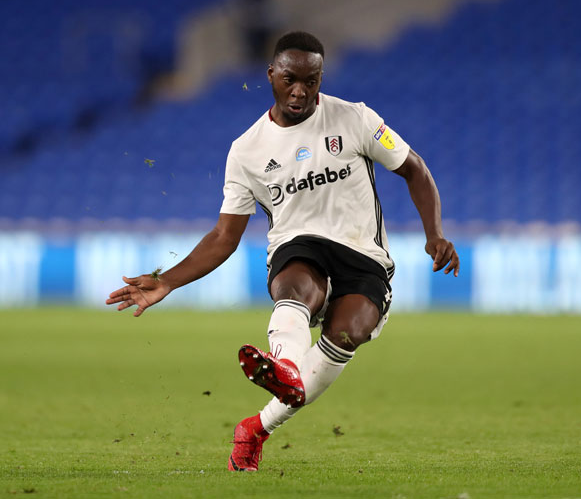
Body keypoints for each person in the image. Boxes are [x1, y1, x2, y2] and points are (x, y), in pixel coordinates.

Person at [106, 31, 459, 472]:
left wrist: (435, 234)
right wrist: (167, 281)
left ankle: (256, 427)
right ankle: (285, 364)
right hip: (299, 246)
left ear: (321, 78)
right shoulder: (247, 151)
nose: (300, 91)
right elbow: (223, 236)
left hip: (364, 256)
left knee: (351, 331)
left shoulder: (356, 119)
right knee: (296, 284)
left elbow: (416, 170)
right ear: (270, 74)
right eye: (290, 78)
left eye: (311, 81)